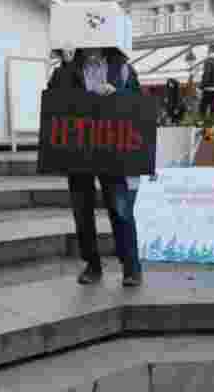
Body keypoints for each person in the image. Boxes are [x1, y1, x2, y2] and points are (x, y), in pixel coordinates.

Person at [47, 44, 144, 285]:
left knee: (120, 208)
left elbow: (138, 103)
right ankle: (92, 265)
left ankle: (131, 266)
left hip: (112, 149)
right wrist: (67, 65)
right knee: (82, 211)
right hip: (79, 149)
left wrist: (117, 94)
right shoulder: (66, 69)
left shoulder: (122, 69)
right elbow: (54, 100)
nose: (90, 47)